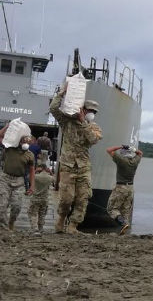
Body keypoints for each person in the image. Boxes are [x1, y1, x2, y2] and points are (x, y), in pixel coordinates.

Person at [49, 81, 103, 234]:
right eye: (89, 110)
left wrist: (83, 122)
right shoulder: (67, 122)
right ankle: (60, 221)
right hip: (68, 165)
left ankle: (73, 226)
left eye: (94, 111)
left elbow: (93, 139)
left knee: (82, 198)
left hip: (84, 167)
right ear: (82, 109)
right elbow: (53, 108)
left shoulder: (94, 127)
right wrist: (62, 93)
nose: (92, 113)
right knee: (66, 198)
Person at [0, 126, 35, 231]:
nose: (25, 143)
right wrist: (7, 126)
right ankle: (3, 228)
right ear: (19, 141)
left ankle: (11, 222)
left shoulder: (30, 155)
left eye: (28, 142)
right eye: (23, 141)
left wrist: (32, 186)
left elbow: (31, 171)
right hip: (6, 179)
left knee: (17, 206)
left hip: (19, 181)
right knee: (2, 206)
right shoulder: (9, 148)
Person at [106, 145, 143, 235]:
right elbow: (140, 153)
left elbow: (109, 149)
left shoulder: (121, 160)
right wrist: (132, 149)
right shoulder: (135, 161)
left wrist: (120, 146)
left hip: (120, 187)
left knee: (111, 209)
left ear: (123, 154)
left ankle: (122, 223)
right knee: (125, 210)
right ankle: (125, 231)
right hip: (130, 188)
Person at [28, 162, 54, 235]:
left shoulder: (36, 176)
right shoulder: (50, 178)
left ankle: (34, 229)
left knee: (33, 213)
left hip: (35, 198)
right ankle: (41, 229)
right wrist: (51, 172)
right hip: (45, 199)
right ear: (46, 169)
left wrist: (35, 171)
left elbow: (28, 177)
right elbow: (54, 180)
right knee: (42, 214)